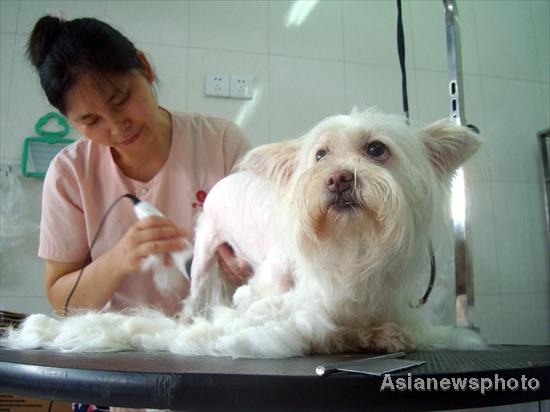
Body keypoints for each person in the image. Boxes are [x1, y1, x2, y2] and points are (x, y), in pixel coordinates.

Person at [27, 15, 251, 410]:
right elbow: (61, 301)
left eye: (121, 100)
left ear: (144, 69)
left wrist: (244, 265)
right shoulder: (70, 173)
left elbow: (262, 258)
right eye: (91, 121)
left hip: (214, 357)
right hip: (117, 369)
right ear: (70, 122)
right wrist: (119, 259)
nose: (117, 126)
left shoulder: (221, 142)